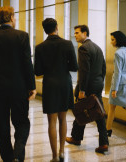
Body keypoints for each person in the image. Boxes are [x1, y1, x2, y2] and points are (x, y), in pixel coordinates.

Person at [0, 6, 37, 162]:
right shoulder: (22, 36)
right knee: (22, 123)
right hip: (19, 89)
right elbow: (27, 64)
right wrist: (32, 86)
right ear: (12, 17)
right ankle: (18, 155)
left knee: (2, 126)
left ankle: (8, 158)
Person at [34, 18, 78, 162]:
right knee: (63, 118)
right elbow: (74, 67)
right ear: (57, 27)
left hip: (49, 85)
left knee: (51, 121)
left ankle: (54, 156)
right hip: (64, 83)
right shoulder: (67, 44)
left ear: (45, 30)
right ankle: (61, 152)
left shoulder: (40, 47)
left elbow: (38, 71)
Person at [66, 25, 109, 154]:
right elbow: (104, 68)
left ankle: (79, 138)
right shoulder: (97, 47)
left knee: (82, 109)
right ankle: (81, 138)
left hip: (88, 86)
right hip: (97, 84)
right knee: (97, 111)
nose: (75, 35)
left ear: (85, 33)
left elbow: (84, 71)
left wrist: (82, 90)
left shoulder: (83, 48)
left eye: (77, 33)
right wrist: (100, 81)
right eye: (74, 33)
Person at [106, 31, 126, 145]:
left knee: (112, 107)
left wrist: (114, 89)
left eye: (113, 39)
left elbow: (118, 73)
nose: (111, 42)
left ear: (118, 40)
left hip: (119, 84)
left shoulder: (118, 53)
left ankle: (108, 130)